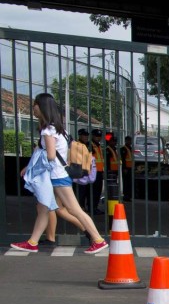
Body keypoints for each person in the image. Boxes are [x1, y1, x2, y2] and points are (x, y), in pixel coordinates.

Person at [9, 93, 108, 254]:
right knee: (44, 208)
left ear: (42, 107)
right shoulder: (59, 128)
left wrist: (33, 167)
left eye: (35, 104)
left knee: (74, 209)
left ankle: (98, 239)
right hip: (58, 175)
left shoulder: (48, 130)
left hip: (56, 176)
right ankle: (32, 242)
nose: (33, 107)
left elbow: (50, 155)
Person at [89, 129, 105, 215]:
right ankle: (92, 207)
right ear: (92, 136)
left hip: (99, 171)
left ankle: (95, 207)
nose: (98, 138)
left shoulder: (98, 146)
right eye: (96, 136)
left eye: (99, 137)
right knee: (93, 191)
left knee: (98, 191)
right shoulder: (90, 145)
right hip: (93, 172)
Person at [120, 135, 134, 202]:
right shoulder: (123, 149)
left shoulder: (130, 148)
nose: (130, 142)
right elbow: (123, 159)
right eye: (129, 140)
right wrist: (124, 168)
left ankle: (129, 195)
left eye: (130, 140)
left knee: (129, 182)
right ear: (126, 141)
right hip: (126, 168)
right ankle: (126, 196)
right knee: (126, 182)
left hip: (130, 167)